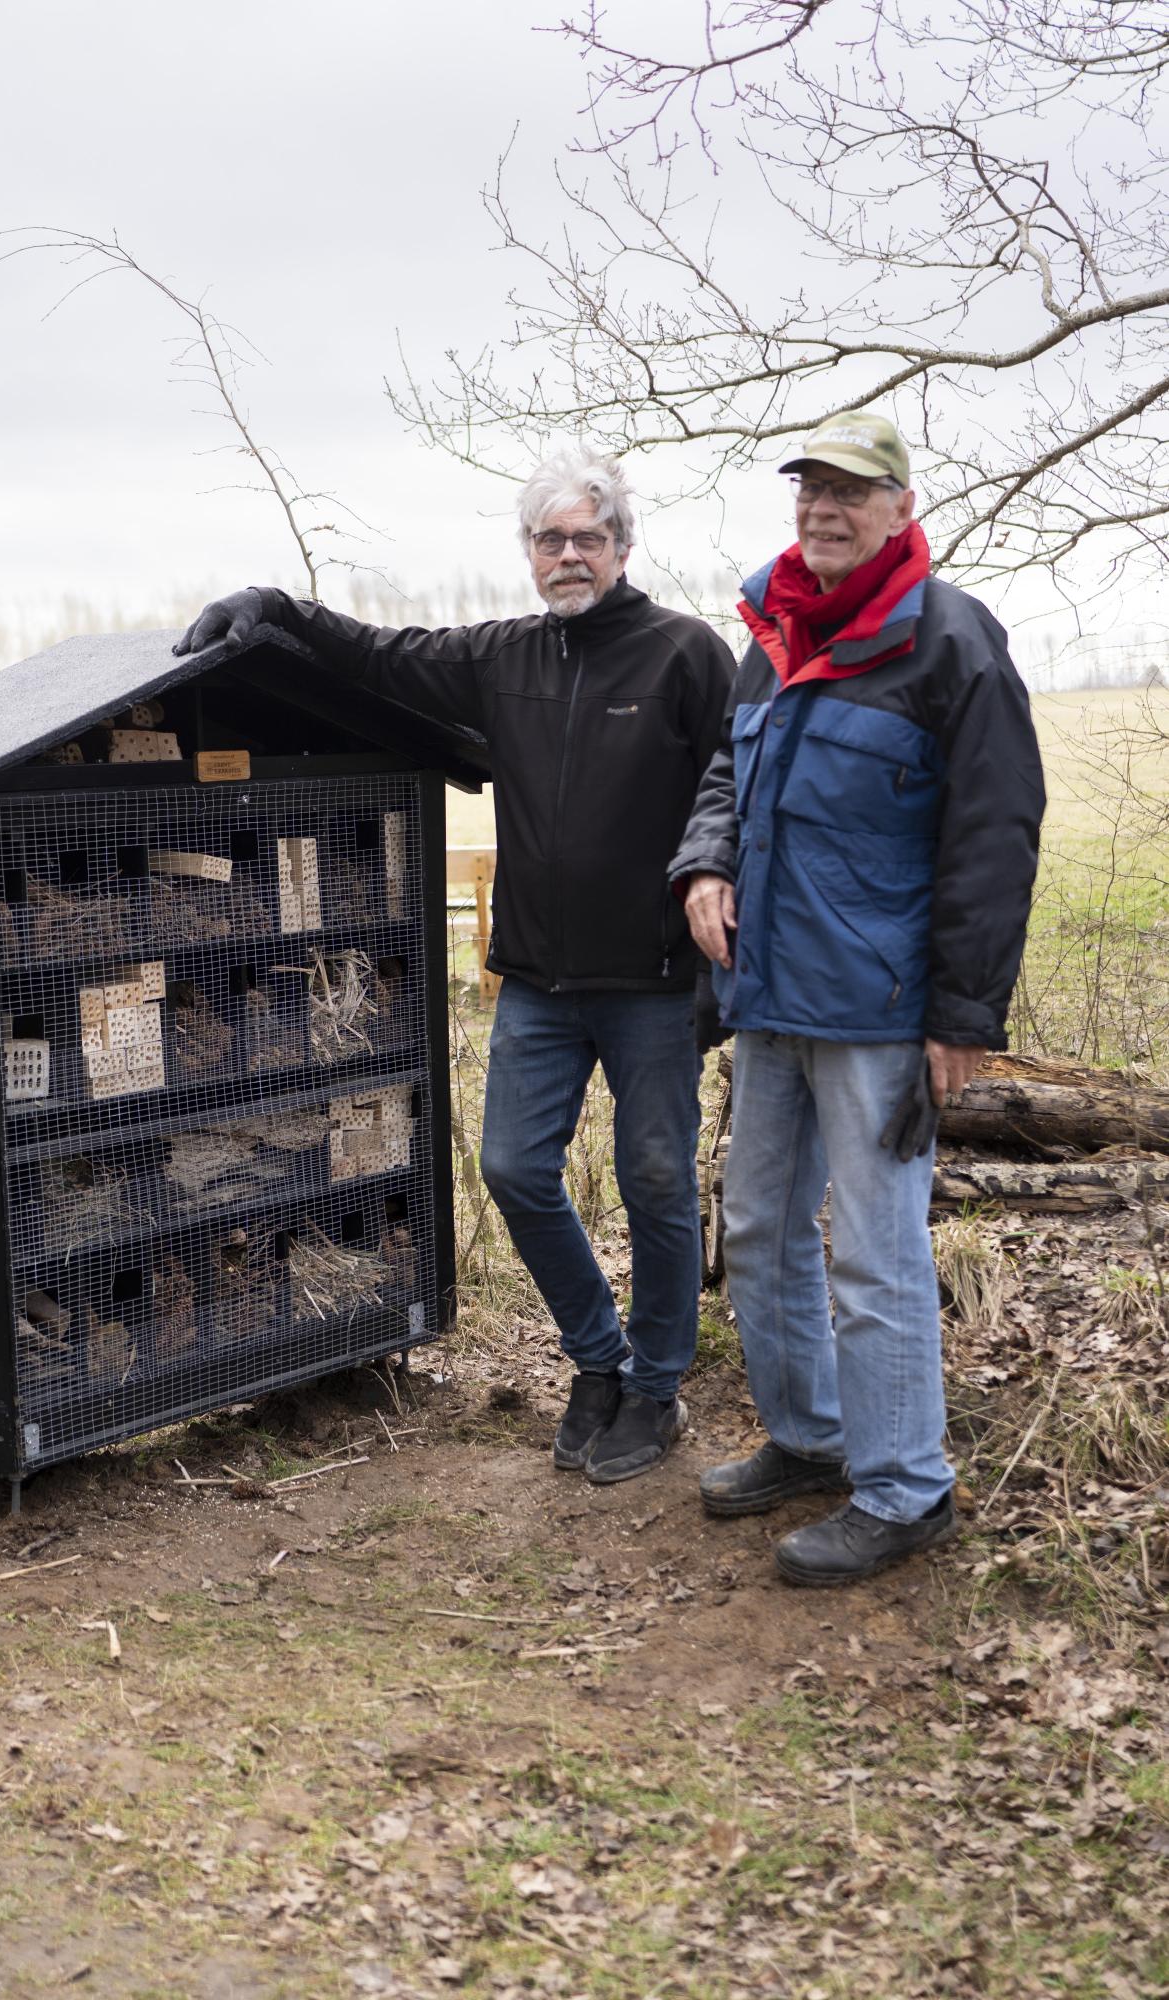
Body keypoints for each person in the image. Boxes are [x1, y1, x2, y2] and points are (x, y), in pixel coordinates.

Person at [176, 449, 735, 1483]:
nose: (568, 554)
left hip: (655, 980)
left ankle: (656, 1387)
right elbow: (378, 654)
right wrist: (277, 607)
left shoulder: (686, 653)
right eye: (548, 539)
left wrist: (719, 972)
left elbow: (736, 784)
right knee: (514, 1168)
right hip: (536, 981)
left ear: (621, 545)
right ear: (527, 551)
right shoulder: (500, 655)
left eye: (587, 537)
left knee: (654, 1180)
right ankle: (597, 1360)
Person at [671, 410, 1045, 1585]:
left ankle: (904, 1488)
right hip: (770, 990)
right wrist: (706, 861)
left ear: (899, 506)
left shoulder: (949, 640)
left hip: (881, 1010)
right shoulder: (773, 627)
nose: (823, 509)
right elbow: (728, 770)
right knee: (760, 1228)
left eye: (850, 491)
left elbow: (994, 835)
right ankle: (809, 1434)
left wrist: (962, 1013)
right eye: (808, 490)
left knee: (875, 1255)